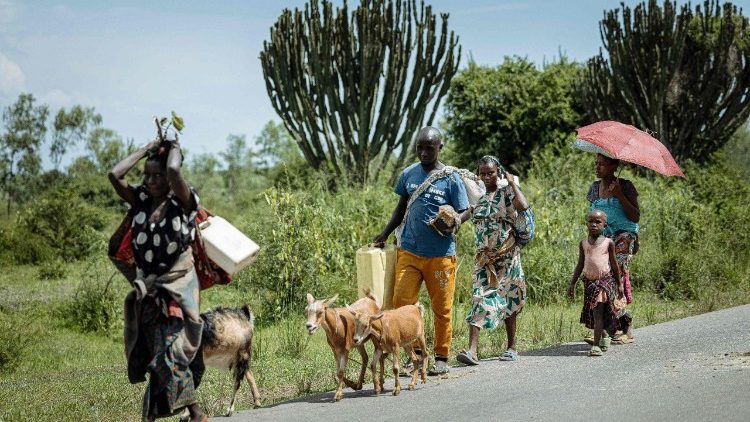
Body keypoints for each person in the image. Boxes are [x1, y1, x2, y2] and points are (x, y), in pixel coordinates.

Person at [109, 137, 207, 422]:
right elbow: (114, 175)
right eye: (147, 175)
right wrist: (147, 149)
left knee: (169, 354)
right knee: (157, 357)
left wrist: (172, 146)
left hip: (178, 290)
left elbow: (176, 171)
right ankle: (187, 412)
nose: (151, 181)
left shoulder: (183, 201)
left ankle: (188, 412)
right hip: (149, 293)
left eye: (158, 175)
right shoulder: (140, 201)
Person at [373, 126, 469, 376]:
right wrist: (384, 233)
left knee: (442, 308)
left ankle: (441, 356)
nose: (424, 152)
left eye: (429, 147)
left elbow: (466, 209)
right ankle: (413, 354)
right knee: (401, 303)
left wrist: (454, 221)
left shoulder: (450, 178)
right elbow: (401, 207)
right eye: (420, 148)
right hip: (410, 252)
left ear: (440, 147)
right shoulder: (408, 174)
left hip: (441, 256)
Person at [455, 155, 534, 366]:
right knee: (479, 296)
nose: (487, 177)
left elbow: (523, 206)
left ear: (497, 172)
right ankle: (472, 351)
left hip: (507, 258)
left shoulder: (506, 193)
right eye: (483, 173)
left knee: (510, 299)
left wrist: (511, 183)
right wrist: (452, 221)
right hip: (484, 260)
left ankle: (512, 347)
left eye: (490, 172)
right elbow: (462, 218)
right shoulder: (478, 198)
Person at [587, 153, 639, 342]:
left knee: (615, 273)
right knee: (599, 276)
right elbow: (593, 217)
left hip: (625, 236)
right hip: (603, 238)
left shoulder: (625, 186)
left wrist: (619, 194)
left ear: (613, 166)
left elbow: (635, 216)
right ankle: (606, 327)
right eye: (596, 163)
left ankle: (623, 328)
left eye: (601, 163)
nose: (597, 166)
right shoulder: (594, 188)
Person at [568, 209, 623, 356]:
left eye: (598, 222)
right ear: (586, 223)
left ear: (605, 225)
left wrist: (619, 284)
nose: (594, 224)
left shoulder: (608, 243)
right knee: (594, 314)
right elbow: (580, 264)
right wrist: (572, 283)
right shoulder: (584, 244)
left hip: (604, 282)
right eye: (591, 221)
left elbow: (615, 264)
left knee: (598, 312)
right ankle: (605, 336)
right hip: (589, 283)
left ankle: (596, 345)